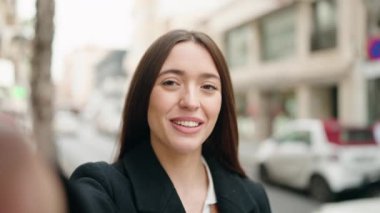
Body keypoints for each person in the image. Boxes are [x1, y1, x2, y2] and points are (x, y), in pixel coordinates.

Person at [70, 29, 272, 213]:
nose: (191, 102)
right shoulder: (102, 189)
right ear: (144, 95)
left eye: (208, 87)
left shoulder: (253, 197)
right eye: (171, 83)